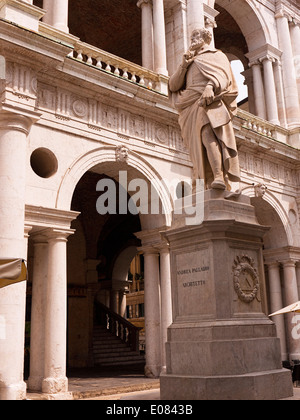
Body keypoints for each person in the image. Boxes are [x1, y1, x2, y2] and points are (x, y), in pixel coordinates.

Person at [169, 28, 241, 190]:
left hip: (209, 102)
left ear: (206, 38)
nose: (192, 38)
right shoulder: (190, 60)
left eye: (196, 35)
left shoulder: (217, 55)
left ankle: (218, 177)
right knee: (196, 147)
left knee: (207, 134)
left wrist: (210, 86)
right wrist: (184, 65)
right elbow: (173, 85)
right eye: (192, 35)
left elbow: (224, 76)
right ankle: (204, 180)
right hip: (190, 106)